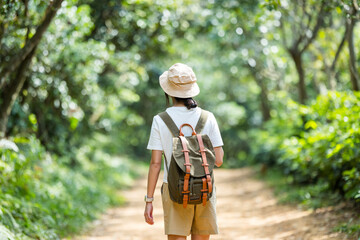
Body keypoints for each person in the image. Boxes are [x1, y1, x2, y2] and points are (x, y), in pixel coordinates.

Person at [144, 63, 224, 240]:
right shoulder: (208, 117)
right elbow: (218, 160)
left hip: (174, 189)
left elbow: (156, 163)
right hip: (205, 187)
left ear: (169, 92)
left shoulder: (160, 120)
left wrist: (149, 201)